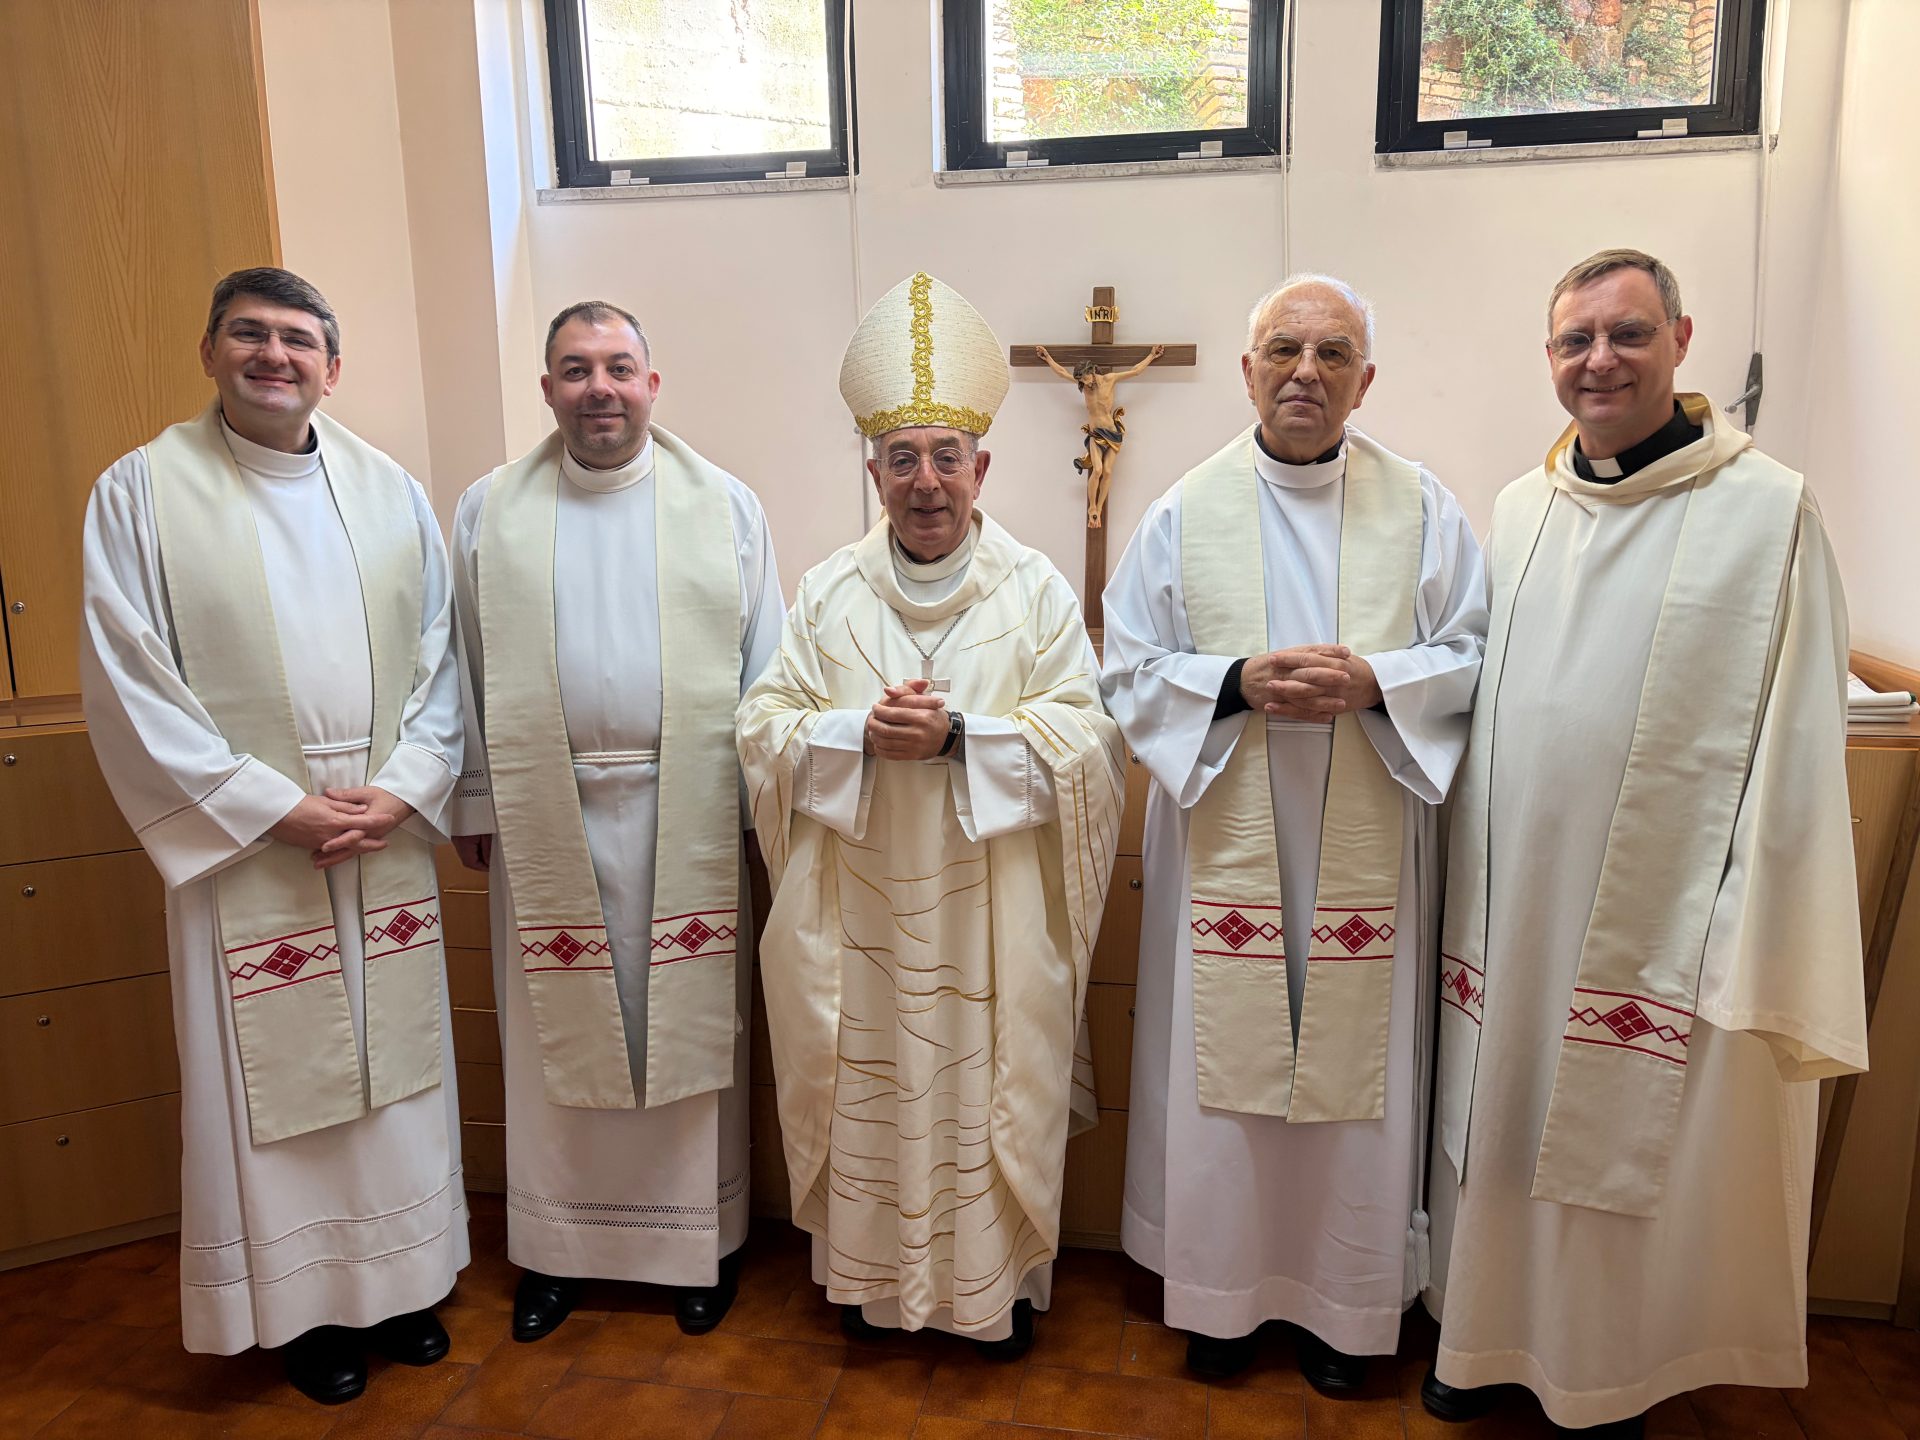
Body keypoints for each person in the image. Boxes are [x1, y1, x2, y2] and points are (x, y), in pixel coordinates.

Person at [1423, 249, 1868, 1436]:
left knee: (1618, 1155)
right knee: (1504, 1122)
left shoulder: (1768, 512)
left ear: (1681, 339)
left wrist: (1751, 932)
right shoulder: (1521, 510)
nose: (1599, 361)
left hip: (1669, 918)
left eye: (1626, 334)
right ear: (1551, 358)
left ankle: (1605, 1372)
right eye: (1575, 341)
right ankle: (1480, 1336)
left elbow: (1799, 741)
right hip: (1516, 906)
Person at [79, 267, 467, 1406]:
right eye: (247, 334)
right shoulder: (142, 492)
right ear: (209, 353)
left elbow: (443, 659)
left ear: (331, 369)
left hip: (379, 829)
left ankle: (402, 1285)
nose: (273, 355)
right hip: (249, 838)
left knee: (395, 1085)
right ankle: (303, 1313)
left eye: (298, 339)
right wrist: (265, 806)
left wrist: (404, 788)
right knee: (276, 1097)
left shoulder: (390, 492)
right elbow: (129, 678)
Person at [1099, 274, 1487, 1392]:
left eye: (1332, 354)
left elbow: (1472, 655)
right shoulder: (1184, 513)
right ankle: (1221, 1299)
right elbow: (1125, 671)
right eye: (1283, 350)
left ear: (1366, 379)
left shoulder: (1426, 510)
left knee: (1357, 1083)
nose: (1305, 373)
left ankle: (1343, 1310)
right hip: (1226, 830)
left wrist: (1377, 682)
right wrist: (1232, 682)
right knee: (1221, 1075)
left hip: (1370, 842)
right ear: (1247, 370)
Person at [737, 271, 1126, 1357]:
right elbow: (762, 724)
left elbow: (1091, 738)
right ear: (873, 473)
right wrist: (853, 734)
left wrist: (962, 739)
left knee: (983, 1085)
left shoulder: (1035, 590)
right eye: (901, 459)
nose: (925, 482)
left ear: (980, 468)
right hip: (857, 920)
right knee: (870, 1083)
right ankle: (869, 1288)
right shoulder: (828, 591)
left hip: (989, 921)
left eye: (945, 457)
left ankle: (987, 1298)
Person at [449, 301, 782, 1343]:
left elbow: (766, 667)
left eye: (619, 367)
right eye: (576, 368)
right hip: (541, 812)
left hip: (690, 811)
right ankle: (558, 1253)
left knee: (689, 1036)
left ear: (651, 383)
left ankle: (697, 1246)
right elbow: (461, 659)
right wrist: (472, 795)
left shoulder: (723, 505)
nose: (600, 387)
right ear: (547, 389)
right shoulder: (489, 510)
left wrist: (758, 809)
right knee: (554, 1043)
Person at [1032, 341, 1166, 526]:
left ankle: (1099, 508)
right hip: (1095, 435)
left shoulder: (1109, 379)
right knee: (1097, 470)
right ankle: (1092, 507)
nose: (1085, 383)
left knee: (1108, 471)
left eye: (1086, 378)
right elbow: (1062, 372)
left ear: (1092, 371)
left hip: (1112, 433)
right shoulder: (1083, 384)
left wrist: (1151, 355)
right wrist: (1047, 357)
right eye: (1081, 381)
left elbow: (1135, 371)